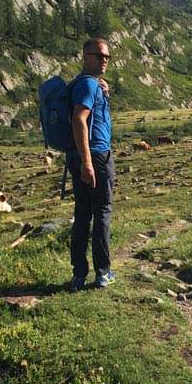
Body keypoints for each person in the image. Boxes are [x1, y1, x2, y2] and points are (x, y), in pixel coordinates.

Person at [68, 38, 115, 291]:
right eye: (99, 55)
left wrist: (103, 94)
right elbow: (79, 119)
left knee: (83, 215)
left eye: (107, 56)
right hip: (95, 156)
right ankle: (103, 273)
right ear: (86, 56)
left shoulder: (87, 84)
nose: (104, 60)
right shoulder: (87, 85)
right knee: (102, 213)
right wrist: (88, 161)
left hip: (80, 157)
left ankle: (79, 274)